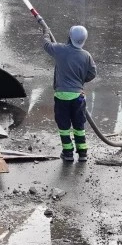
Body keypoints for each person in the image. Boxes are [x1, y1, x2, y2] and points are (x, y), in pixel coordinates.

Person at [43, 23, 97, 161]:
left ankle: (67, 154)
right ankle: (83, 153)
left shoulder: (60, 50)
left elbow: (47, 45)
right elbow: (92, 73)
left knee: (64, 126)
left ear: (70, 37)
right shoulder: (86, 55)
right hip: (78, 96)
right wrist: (80, 82)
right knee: (79, 125)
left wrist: (46, 32)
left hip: (61, 96)